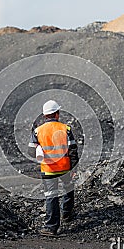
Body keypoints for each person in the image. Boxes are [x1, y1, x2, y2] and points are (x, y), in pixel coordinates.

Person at [28, 100, 79, 236]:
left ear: (45, 116)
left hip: (48, 170)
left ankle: (51, 227)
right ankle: (67, 214)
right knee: (69, 190)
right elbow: (73, 150)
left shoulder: (38, 131)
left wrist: (39, 148)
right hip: (65, 168)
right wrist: (74, 169)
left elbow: (31, 152)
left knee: (51, 197)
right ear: (57, 114)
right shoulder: (65, 129)